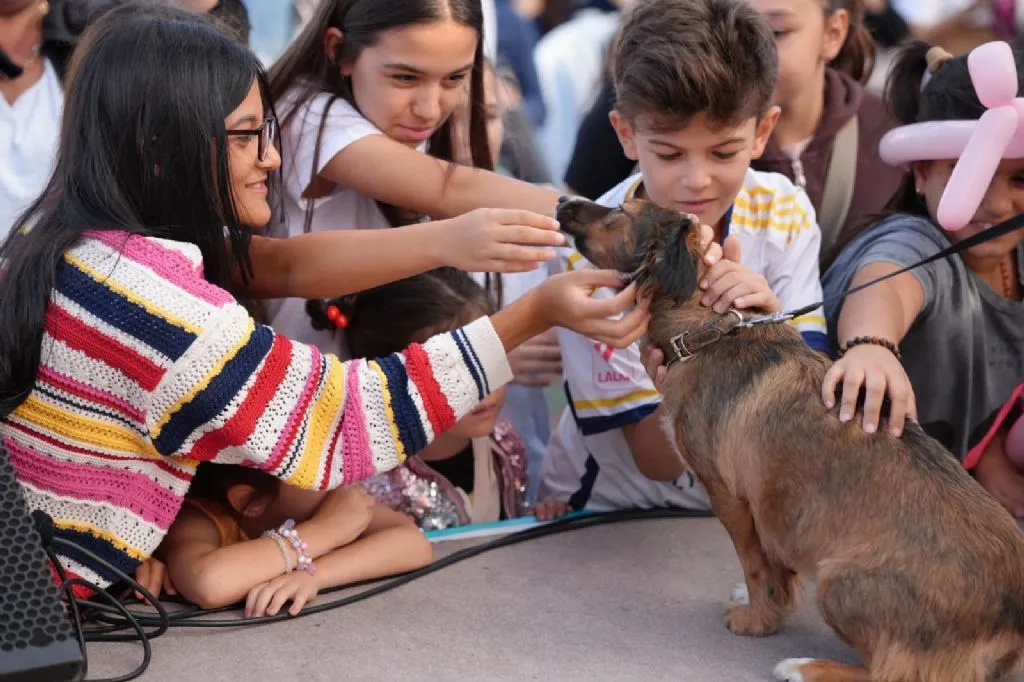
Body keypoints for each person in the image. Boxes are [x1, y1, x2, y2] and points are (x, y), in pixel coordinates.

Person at [0, 3, 653, 593]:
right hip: (57, 609)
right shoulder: (157, 309)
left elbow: (281, 264)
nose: (272, 160)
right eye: (245, 135)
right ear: (162, 149)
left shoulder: (71, 244)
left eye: (268, 131)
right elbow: (342, 416)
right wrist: (532, 313)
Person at [538, 0, 828, 513]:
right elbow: (655, 461)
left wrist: (770, 325)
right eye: (669, 154)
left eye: (723, 152)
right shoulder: (597, 249)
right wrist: (690, 357)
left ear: (762, 131)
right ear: (626, 134)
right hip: (614, 509)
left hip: (731, 507)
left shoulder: (784, 210)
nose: (696, 180)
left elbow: (805, 410)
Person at [265, 0, 565, 354]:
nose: (430, 108)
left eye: (455, 78)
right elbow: (447, 187)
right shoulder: (309, 114)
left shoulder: (388, 122)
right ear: (339, 50)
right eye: (405, 77)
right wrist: (600, 218)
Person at [820, 42, 1024, 519]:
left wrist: (989, 454)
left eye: (1020, 179)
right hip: (885, 511)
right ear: (921, 172)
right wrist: (871, 345)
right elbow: (886, 283)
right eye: (966, 173)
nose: (994, 206)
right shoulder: (915, 242)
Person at [308, 269, 570, 529]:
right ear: (387, 381)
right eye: (451, 372)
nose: (482, 388)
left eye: (487, 360)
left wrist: (537, 516)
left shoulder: (504, 444)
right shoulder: (365, 484)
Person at [747, 0, 903, 268]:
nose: (747, 53)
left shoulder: (893, 138)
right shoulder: (690, 142)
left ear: (833, 34)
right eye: (732, 30)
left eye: (775, 32)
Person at [163, 462, 428, 617]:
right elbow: (211, 583)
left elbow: (413, 543)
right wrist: (324, 531)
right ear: (248, 501)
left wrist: (314, 576)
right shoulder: (200, 519)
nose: (336, 475)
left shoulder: (327, 500)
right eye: (314, 471)